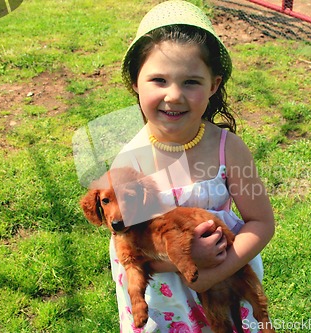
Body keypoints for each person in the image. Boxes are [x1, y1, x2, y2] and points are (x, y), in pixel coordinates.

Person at [110, 1, 275, 331]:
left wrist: (213, 271)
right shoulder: (130, 162)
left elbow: (261, 223)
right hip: (166, 305)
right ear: (135, 84)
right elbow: (126, 247)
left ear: (213, 86)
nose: (174, 96)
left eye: (191, 82)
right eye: (158, 80)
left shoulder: (230, 150)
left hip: (227, 286)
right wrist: (183, 260)